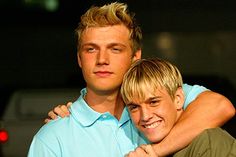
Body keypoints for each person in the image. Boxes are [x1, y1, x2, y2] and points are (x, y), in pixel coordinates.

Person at [28, 2, 235, 157]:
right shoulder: (53, 138)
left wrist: (154, 151)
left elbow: (220, 106)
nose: (102, 60)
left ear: (135, 57)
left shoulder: (161, 101)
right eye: (91, 49)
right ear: (79, 59)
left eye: (115, 49)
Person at [120, 58, 236, 157]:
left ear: (178, 99)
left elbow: (222, 106)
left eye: (153, 102)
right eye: (134, 107)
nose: (145, 116)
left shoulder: (207, 143)